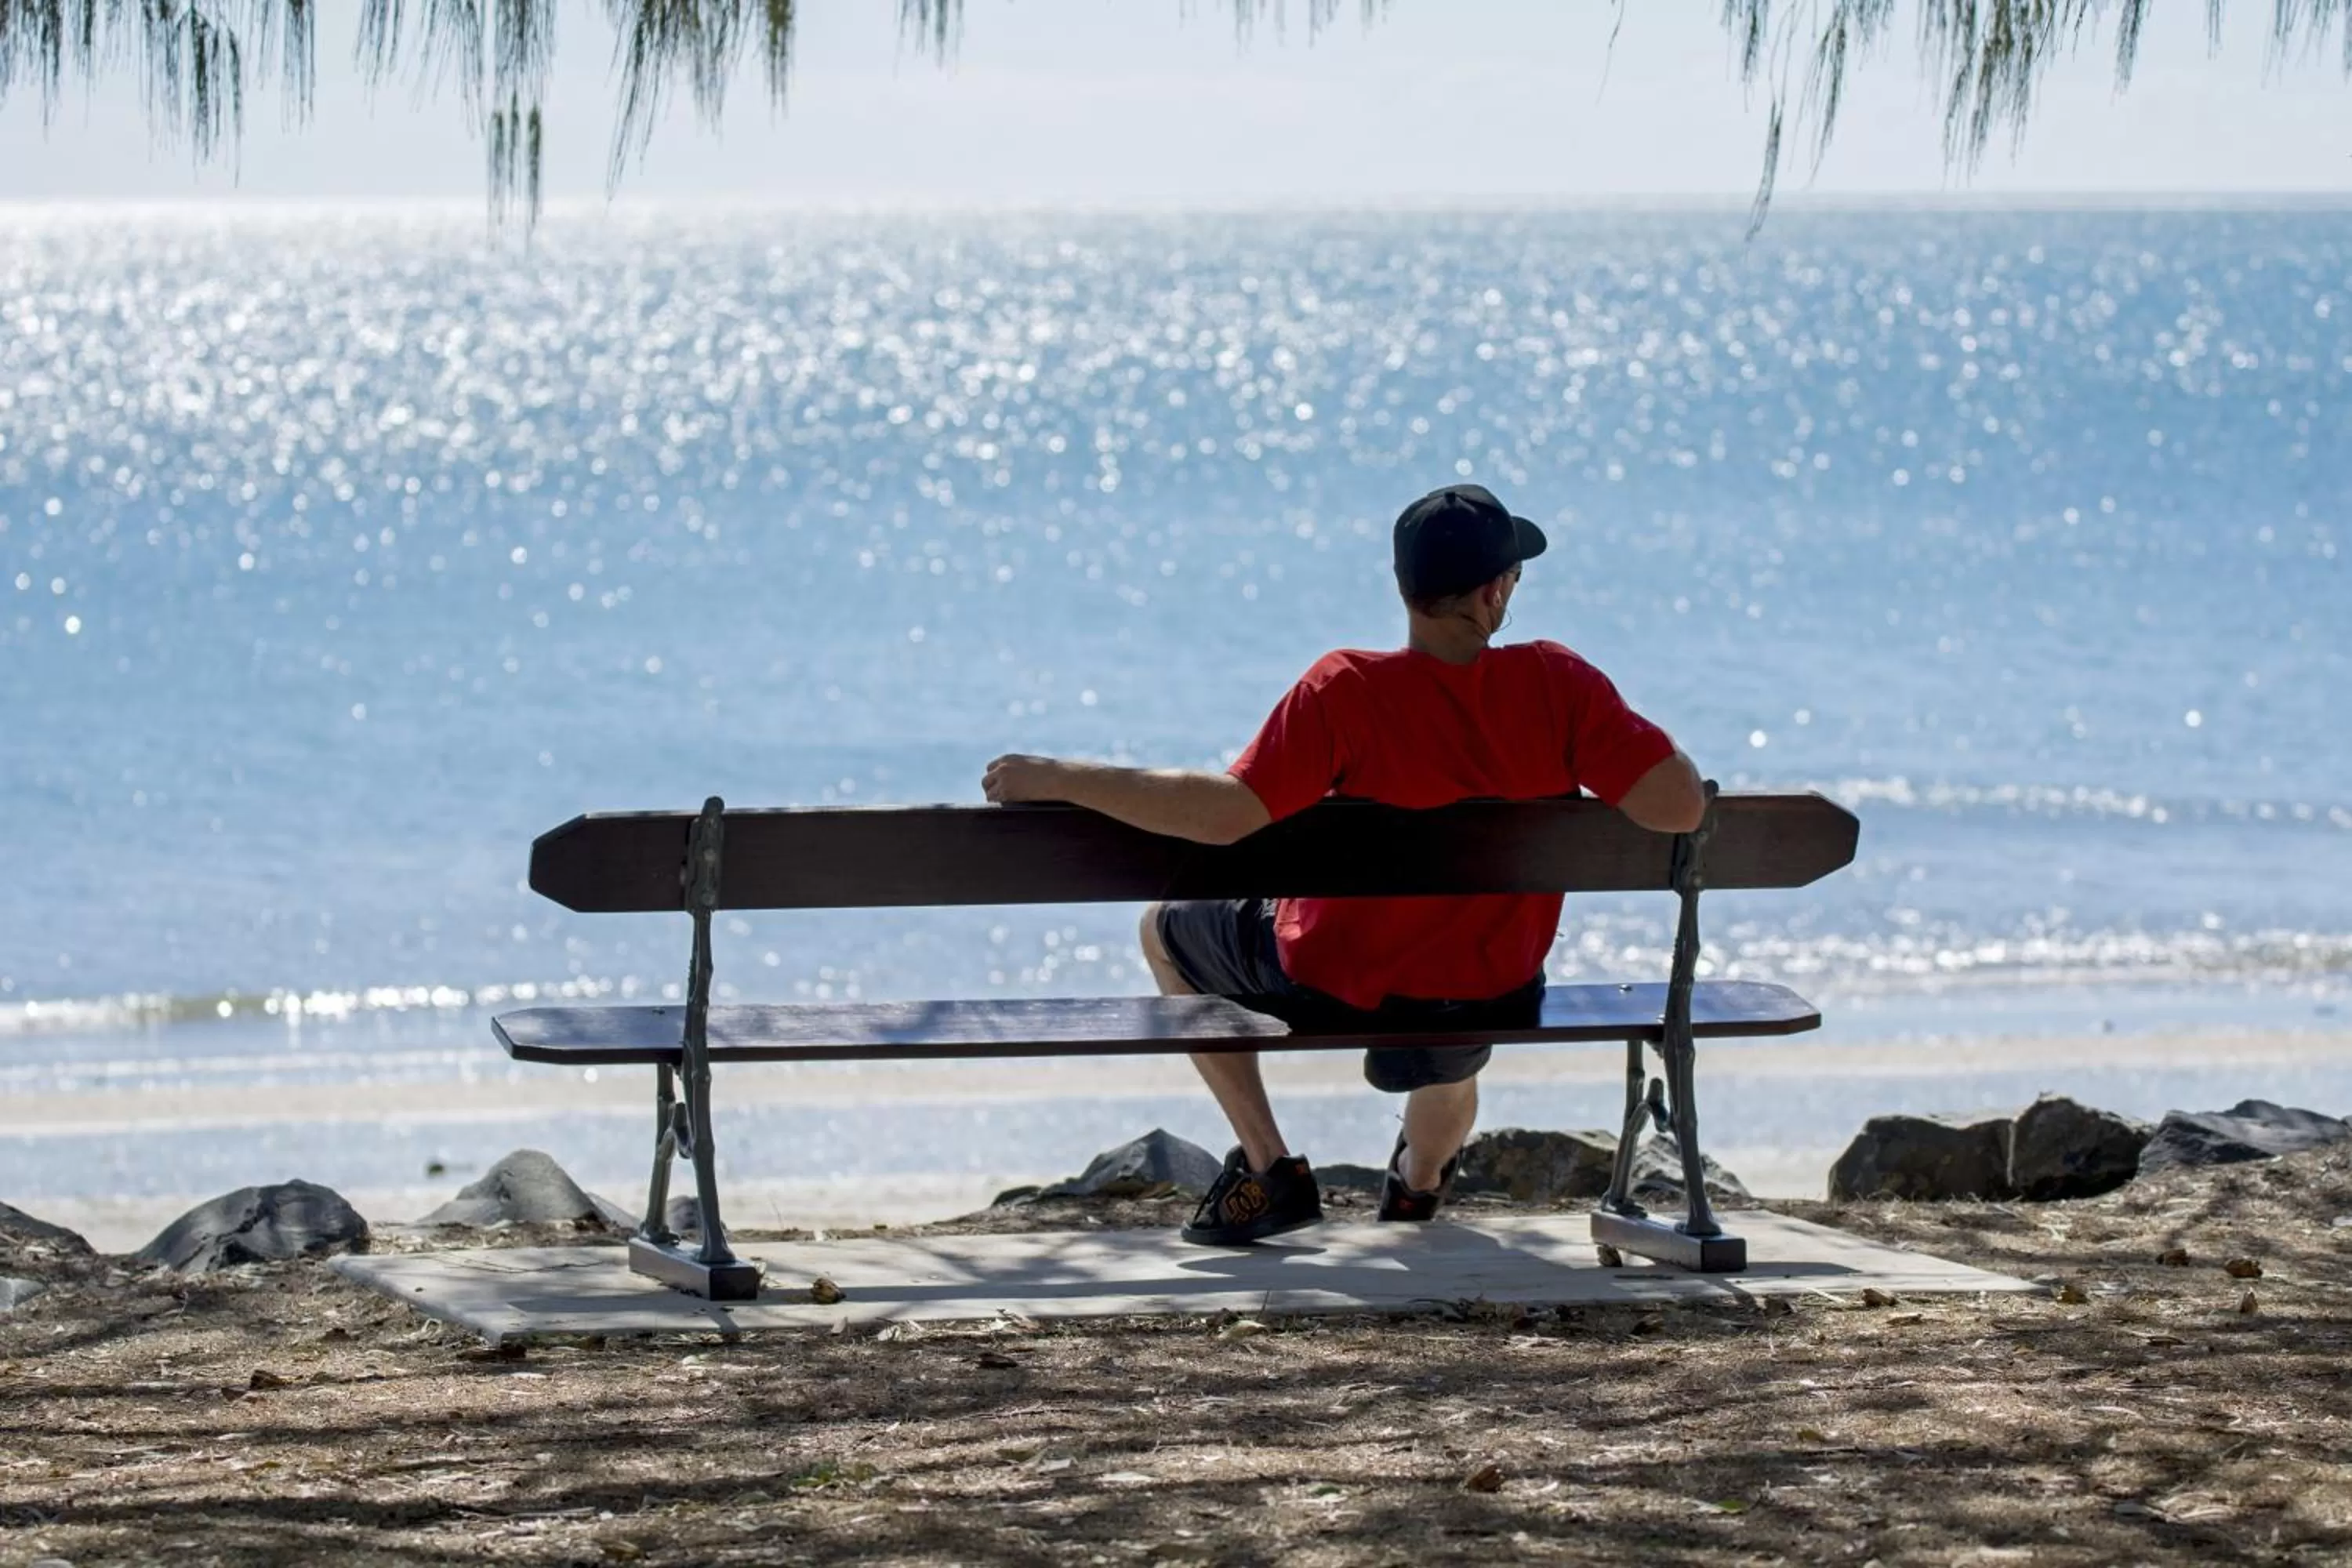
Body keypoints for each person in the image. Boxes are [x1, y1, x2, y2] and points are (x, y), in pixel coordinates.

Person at [982, 484, 1705, 1245]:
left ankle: (1271, 1169)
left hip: (1334, 976)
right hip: (1491, 980)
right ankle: (1417, 1184)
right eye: (1514, 580)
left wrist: (1062, 778)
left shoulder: (1345, 687)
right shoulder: (1560, 683)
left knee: (1163, 928)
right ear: (1494, 593)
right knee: (1454, 1010)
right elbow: (1680, 806)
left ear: (1405, 588)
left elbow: (1227, 812)